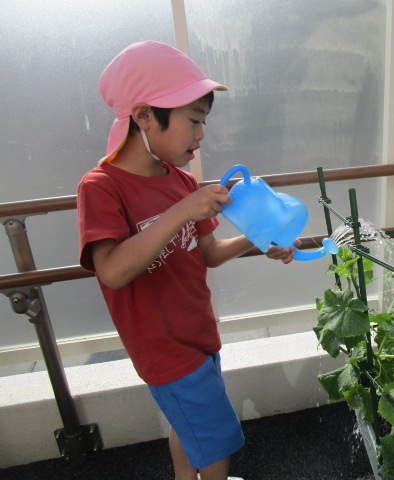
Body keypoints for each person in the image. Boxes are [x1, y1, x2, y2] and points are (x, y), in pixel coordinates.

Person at [77, 40, 295, 480]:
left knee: (190, 427)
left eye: (203, 122)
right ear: (143, 116)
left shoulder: (180, 181)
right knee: (218, 441)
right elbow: (112, 271)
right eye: (193, 120)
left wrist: (260, 238)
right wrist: (182, 210)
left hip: (197, 335)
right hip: (164, 350)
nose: (201, 134)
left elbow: (209, 253)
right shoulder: (100, 187)